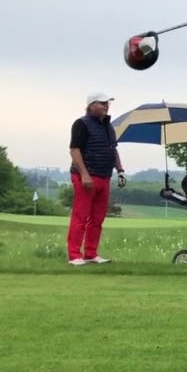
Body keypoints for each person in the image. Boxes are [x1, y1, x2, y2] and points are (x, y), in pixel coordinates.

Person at [67, 93, 126, 265]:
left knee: (97, 218)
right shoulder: (81, 124)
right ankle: (74, 256)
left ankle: (91, 253)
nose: (106, 106)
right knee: (81, 216)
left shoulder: (108, 126)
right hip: (86, 176)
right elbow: (74, 150)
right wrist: (84, 174)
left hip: (104, 176)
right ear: (91, 105)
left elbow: (113, 150)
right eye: (102, 103)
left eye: (107, 103)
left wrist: (120, 170)